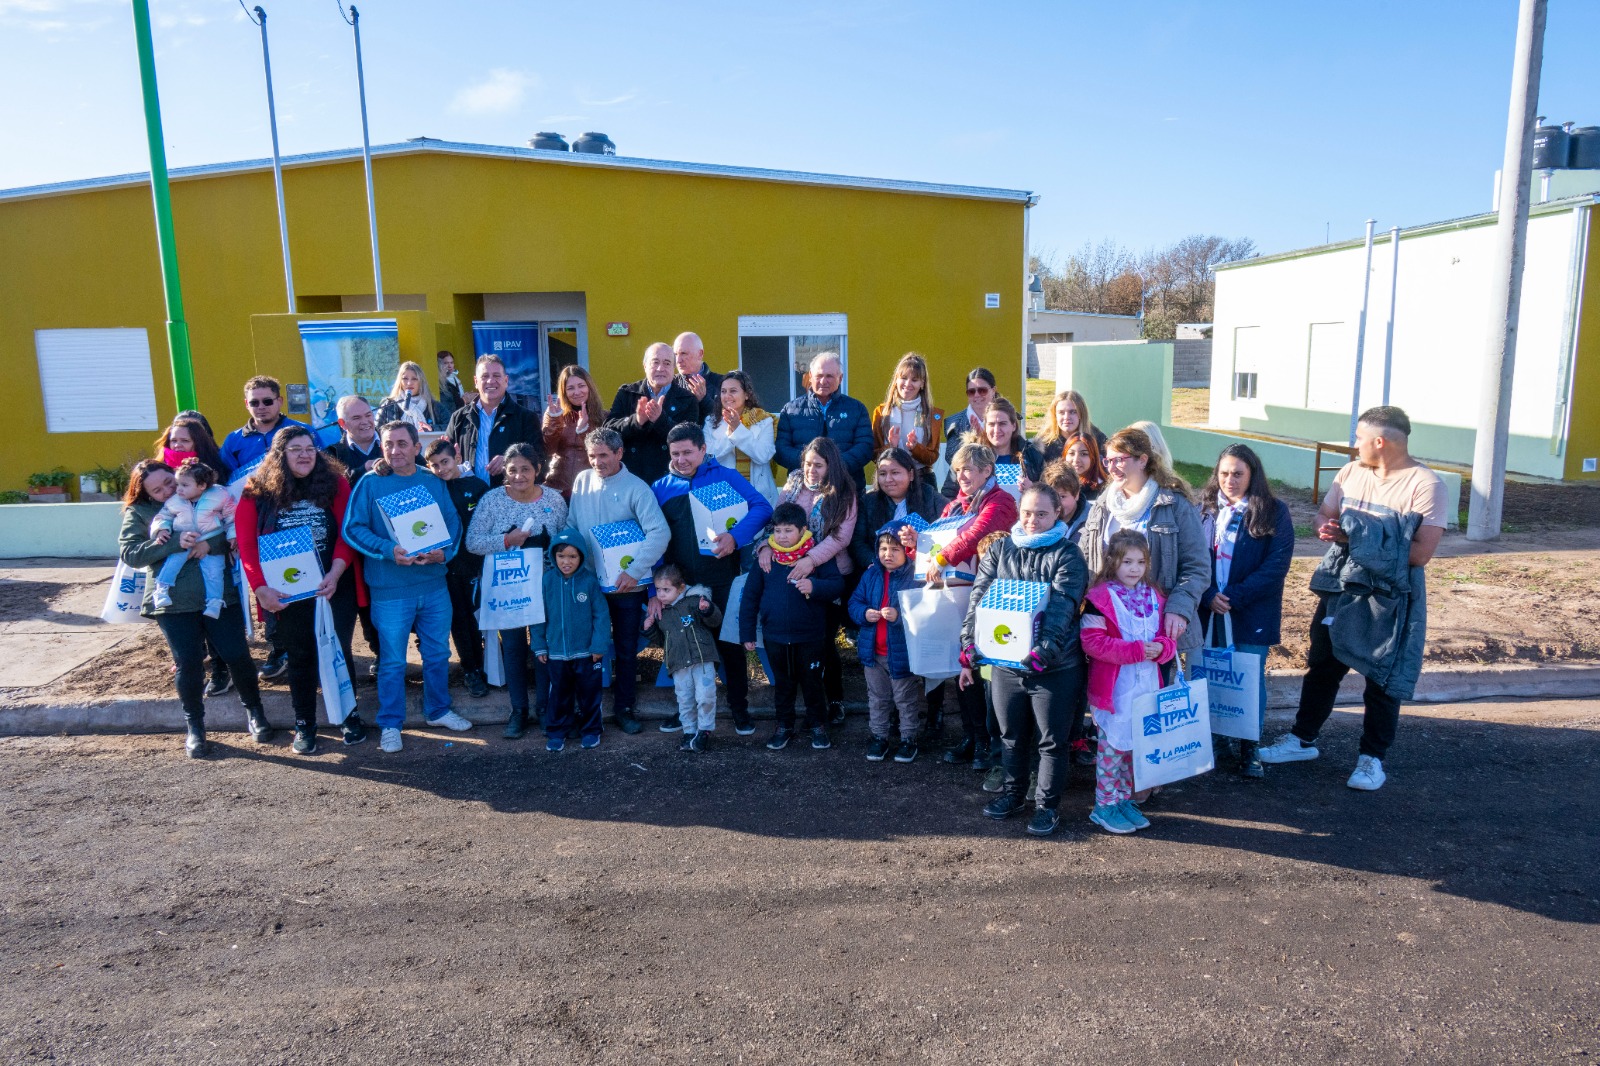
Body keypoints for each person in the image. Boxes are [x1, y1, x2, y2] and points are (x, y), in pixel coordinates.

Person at [1258, 406, 1447, 792]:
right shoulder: (1350, 473)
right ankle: (1301, 740)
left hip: (1388, 598)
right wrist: (1326, 527)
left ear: (1380, 441)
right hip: (1340, 588)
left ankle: (1372, 759)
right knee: (1323, 666)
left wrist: (1355, 537)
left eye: (1359, 437)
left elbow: (1420, 553)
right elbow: (1323, 515)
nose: (1354, 444)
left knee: (1381, 677)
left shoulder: (1425, 485)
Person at [960, 482, 1090, 837]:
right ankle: (1013, 795)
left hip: (1055, 666)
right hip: (1006, 664)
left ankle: (1047, 807)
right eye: (1027, 512)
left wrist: (1044, 651)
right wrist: (970, 641)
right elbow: (979, 598)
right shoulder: (1001, 549)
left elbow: (1063, 607)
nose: (1032, 520)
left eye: (1042, 513)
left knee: (1051, 741)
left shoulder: (1068, 555)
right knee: (1011, 735)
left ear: (1057, 514)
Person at [119, 459, 270, 757]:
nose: (166, 491)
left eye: (169, 483)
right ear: (144, 492)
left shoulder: (210, 494)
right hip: (173, 601)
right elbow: (131, 554)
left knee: (236, 654)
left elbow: (233, 527)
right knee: (188, 662)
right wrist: (174, 542)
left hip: (218, 594)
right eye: (156, 489)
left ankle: (255, 713)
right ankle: (195, 727)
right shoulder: (140, 513)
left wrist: (209, 544)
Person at [235, 426, 369, 754]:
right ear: (280, 455)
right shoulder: (257, 490)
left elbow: (347, 535)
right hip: (287, 592)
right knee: (300, 655)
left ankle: (349, 716)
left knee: (338, 650)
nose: (305, 454)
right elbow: (247, 545)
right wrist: (260, 589)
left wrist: (337, 572)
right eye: (295, 449)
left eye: (310, 448)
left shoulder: (336, 484)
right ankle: (304, 723)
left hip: (333, 584)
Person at [341, 420, 473, 753]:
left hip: (432, 585)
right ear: (381, 447)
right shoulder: (370, 484)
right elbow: (353, 530)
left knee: (437, 652)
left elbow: (453, 526)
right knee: (393, 661)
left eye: (402, 443)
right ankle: (390, 722)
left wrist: (443, 552)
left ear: (416, 447)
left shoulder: (431, 481)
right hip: (390, 590)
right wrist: (388, 551)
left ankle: (438, 710)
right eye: (389, 444)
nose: (395, 450)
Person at [650, 422, 773, 734]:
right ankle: (685, 712)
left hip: (723, 579)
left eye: (688, 452)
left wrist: (735, 536)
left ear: (703, 450)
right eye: (675, 453)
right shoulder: (661, 487)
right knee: (684, 651)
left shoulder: (725, 477)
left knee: (729, 647)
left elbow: (762, 507)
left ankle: (739, 709)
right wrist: (657, 588)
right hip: (681, 587)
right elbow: (654, 539)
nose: (681, 459)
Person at [567, 428, 673, 735]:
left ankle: (624, 709)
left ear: (619, 453)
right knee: (588, 647)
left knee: (627, 651)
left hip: (628, 587)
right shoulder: (582, 482)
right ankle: (586, 710)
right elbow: (573, 524)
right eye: (592, 456)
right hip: (588, 582)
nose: (597, 462)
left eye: (603, 455)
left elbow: (659, 533)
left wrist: (634, 570)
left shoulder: (637, 489)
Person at [1197, 444, 1295, 778]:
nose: (1230, 480)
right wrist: (1209, 593)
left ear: (1252, 473)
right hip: (1207, 609)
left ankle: (1249, 747)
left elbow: (1275, 566)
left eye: (1238, 473)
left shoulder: (1273, 511)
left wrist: (1233, 596)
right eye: (1224, 473)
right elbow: (1192, 559)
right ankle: (1216, 739)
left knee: (1248, 680)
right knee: (1211, 675)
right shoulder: (1204, 509)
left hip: (1250, 611)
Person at [464, 443, 569, 739]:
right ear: (504, 473)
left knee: (543, 647)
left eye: (525, 469)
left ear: (537, 469)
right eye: (512, 470)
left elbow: (565, 541)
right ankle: (518, 710)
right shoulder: (492, 500)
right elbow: (473, 542)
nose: (519, 475)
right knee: (512, 647)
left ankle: (545, 708)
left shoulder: (554, 500)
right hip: (508, 587)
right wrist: (507, 540)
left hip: (546, 586)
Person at [1078, 427, 1209, 660]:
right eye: (1108, 461)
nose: (1111, 468)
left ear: (1142, 460)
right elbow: (1085, 557)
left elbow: (1197, 567)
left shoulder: (1173, 504)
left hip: (1155, 626)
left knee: (1152, 694)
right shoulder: (1104, 504)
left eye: (1119, 460)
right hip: (1110, 627)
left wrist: (1178, 609)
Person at [1080, 530, 1178, 835]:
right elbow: (1092, 642)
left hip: (1147, 686)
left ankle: (1122, 800)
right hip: (1115, 689)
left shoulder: (1155, 596)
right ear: (1113, 562)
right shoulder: (1100, 599)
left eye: (1140, 562)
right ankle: (1103, 805)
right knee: (1112, 748)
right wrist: (1136, 651)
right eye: (1127, 562)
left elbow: (1167, 637)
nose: (1134, 569)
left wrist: (1163, 649)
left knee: (1133, 747)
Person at [929, 443, 1019, 771]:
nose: (962, 475)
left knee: (984, 670)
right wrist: (917, 546)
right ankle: (971, 736)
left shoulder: (1002, 501)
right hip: (956, 597)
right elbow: (935, 544)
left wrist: (940, 557)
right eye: (957, 470)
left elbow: (978, 534)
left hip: (992, 596)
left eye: (968, 469)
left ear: (987, 471)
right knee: (962, 667)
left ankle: (988, 743)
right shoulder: (954, 505)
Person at [758, 437, 858, 725]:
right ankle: (807, 705)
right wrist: (766, 545)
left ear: (831, 465)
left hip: (829, 572)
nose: (811, 470)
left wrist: (810, 560)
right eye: (807, 464)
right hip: (789, 570)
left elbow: (841, 537)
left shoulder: (844, 492)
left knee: (824, 642)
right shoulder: (793, 483)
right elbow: (776, 522)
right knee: (799, 642)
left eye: (818, 465)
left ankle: (836, 700)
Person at [740, 501, 845, 752]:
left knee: (812, 683)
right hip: (775, 636)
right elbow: (750, 598)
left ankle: (817, 724)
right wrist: (746, 633)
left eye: (789, 530)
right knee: (783, 684)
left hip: (810, 636)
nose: (782, 536)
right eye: (778, 531)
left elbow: (837, 585)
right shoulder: (765, 559)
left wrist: (815, 587)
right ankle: (784, 725)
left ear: (803, 530)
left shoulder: (815, 557)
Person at [423, 438, 492, 698]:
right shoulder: (430, 486)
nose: (441, 469)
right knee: (459, 620)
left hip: (476, 565)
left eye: (445, 462)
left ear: (456, 457)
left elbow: (489, 524)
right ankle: (471, 669)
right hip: (445, 568)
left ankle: (492, 665)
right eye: (434, 465)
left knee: (482, 618)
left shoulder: (476, 486)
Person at [847, 530, 923, 764]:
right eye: (883, 549)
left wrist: (900, 616)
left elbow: (924, 610)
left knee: (905, 698)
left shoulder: (914, 575)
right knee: (877, 697)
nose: (887, 554)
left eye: (894, 549)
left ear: (906, 551)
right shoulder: (871, 575)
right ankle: (879, 736)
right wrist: (863, 613)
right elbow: (854, 602)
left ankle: (909, 738)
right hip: (872, 651)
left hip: (901, 652)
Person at [531, 529, 610, 751]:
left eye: (572, 556)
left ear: (582, 557)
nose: (566, 562)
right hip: (556, 652)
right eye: (561, 556)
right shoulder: (546, 581)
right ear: (553, 557)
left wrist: (598, 645)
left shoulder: (590, 582)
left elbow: (601, 616)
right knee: (558, 695)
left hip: (587, 653)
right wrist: (539, 645)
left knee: (590, 695)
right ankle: (556, 732)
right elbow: (538, 616)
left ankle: (592, 730)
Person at [1039, 460, 1095, 765]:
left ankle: (1077, 735)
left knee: (1080, 676)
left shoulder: (1091, 518)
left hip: (1084, 604)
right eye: (1054, 495)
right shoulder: (1042, 521)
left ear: (1076, 494)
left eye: (1065, 495)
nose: (1060, 502)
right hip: (1051, 607)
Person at [645, 563, 724, 752]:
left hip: (702, 660)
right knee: (684, 699)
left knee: (705, 696)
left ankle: (704, 731)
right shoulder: (661, 613)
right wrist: (648, 629)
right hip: (678, 663)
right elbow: (662, 640)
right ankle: (689, 731)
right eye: (658, 589)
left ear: (680, 587)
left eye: (666, 589)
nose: (661, 594)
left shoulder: (695, 601)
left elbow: (715, 621)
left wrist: (707, 609)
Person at [774, 350, 875, 494]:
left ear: (840, 378)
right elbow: (781, 450)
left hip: (847, 490)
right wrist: (812, 466)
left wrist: (835, 465)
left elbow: (865, 447)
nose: (823, 381)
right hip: (802, 491)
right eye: (819, 376)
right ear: (810, 377)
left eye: (829, 376)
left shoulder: (857, 409)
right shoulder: (791, 410)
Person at [148, 459, 235, 618]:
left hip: (211, 537)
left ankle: (214, 602)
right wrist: (161, 530)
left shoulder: (219, 495)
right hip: (185, 538)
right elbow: (164, 516)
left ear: (202, 486)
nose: (178, 489)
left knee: (215, 571)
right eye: (178, 484)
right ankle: (161, 589)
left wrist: (232, 534)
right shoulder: (175, 501)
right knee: (173, 562)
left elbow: (231, 516)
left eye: (184, 485)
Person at [606, 343, 700, 486]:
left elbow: (691, 439)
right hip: (631, 480)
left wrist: (660, 419)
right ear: (644, 365)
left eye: (667, 363)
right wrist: (636, 421)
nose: (660, 368)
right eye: (655, 362)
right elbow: (608, 432)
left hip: (671, 482)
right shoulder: (627, 393)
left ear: (674, 367)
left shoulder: (688, 399)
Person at [444, 354, 544, 488]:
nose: (490, 381)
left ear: (506, 380)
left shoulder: (526, 418)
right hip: (469, 499)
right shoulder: (458, 418)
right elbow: (446, 459)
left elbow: (538, 458)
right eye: (484, 376)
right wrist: (450, 458)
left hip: (511, 498)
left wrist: (510, 461)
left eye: (496, 376)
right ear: (475, 381)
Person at [849, 446, 945, 574]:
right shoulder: (868, 502)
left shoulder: (929, 496)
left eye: (895, 473)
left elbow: (947, 529)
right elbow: (857, 542)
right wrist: (878, 563)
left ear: (910, 475)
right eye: (882, 474)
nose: (888, 479)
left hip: (923, 570)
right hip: (880, 572)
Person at [704, 369, 779, 504]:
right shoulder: (710, 422)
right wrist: (732, 432)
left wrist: (737, 429)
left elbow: (763, 456)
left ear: (746, 395)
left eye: (733, 391)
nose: (727, 396)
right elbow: (709, 457)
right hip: (725, 496)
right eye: (723, 391)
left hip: (759, 496)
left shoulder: (764, 420)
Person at [871, 352, 943, 486]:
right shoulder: (881, 413)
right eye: (903, 378)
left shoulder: (933, 415)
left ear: (922, 383)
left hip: (922, 480)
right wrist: (890, 447)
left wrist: (915, 448)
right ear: (896, 380)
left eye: (914, 380)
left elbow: (932, 457)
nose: (908, 384)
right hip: (890, 481)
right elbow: (873, 455)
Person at [220, 375, 308, 482]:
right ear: (247, 404)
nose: (261, 407)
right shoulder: (233, 441)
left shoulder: (304, 431)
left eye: (267, 401)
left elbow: (322, 470)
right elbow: (225, 479)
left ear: (280, 401)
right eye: (254, 403)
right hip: (252, 496)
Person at [541, 364, 603, 498]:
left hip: (591, 488)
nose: (577, 392)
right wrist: (555, 421)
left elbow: (602, 454)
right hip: (557, 486)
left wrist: (583, 430)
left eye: (581, 386)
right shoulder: (554, 413)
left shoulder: (604, 417)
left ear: (589, 387)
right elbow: (548, 450)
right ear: (564, 392)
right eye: (570, 388)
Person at [942, 368, 996, 498]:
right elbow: (952, 459)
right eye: (971, 392)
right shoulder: (954, 422)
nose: (977, 395)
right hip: (961, 491)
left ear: (993, 390)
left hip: (998, 489)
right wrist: (975, 442)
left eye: (982, 390)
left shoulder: (1005, 418)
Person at [968, 397, 1043, 485]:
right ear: (985, 427)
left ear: (1013, 426)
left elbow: (1050, 492)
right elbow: (950, 492)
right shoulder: (971, 455)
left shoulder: (1031, 454)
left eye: (1002, 424)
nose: (996, 430)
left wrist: (1032, 490)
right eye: (991, 424)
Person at [325, 396, 383, 489]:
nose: (364, 421)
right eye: (356, 418)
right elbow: (331, 488)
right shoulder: (332, 454)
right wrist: (364, 469)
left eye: (368, 415)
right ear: (342, 423)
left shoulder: (394, 443)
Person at [1036, 389, 1106, 462]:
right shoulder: (1043, 444)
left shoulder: (1098, 440)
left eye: (1073, 412)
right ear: (1055, 415)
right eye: (1061, 412)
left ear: (1081, 414)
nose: (1066, 417)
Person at [155, 417, 230, 482]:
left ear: (198, 443)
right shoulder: (158, 469)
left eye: (185, 440)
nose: (177, 445)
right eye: (173, 440)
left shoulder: (212, 470)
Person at [672, 331, 725, 421]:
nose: (678, 360)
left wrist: (704, 400)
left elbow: (727, 422)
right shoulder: (670, 383)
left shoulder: (722, 383)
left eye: (683, 353)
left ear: (700, 354)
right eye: (675, 354)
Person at [375, 361, 440, 431]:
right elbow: (377, 430)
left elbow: (449, 428)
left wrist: (431, 428)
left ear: (421, 382)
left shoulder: (434, 406)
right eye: (405, 379)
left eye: (414, 379)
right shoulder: (388, 405)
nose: (409, 383)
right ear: (399, 381)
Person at [1063, 434, 1108, 502]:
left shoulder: (1104, 489)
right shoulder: (1056, 484)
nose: (1076, 460)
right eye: (1071, 453)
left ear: (1093, 458)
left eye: (1083, 454)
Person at [434, 350, 466, 425]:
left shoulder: (455, 378)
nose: (449, 366)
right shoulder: (440, 383)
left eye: (451, 363)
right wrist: (464, 400)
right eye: (445, 363)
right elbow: (449, 404)